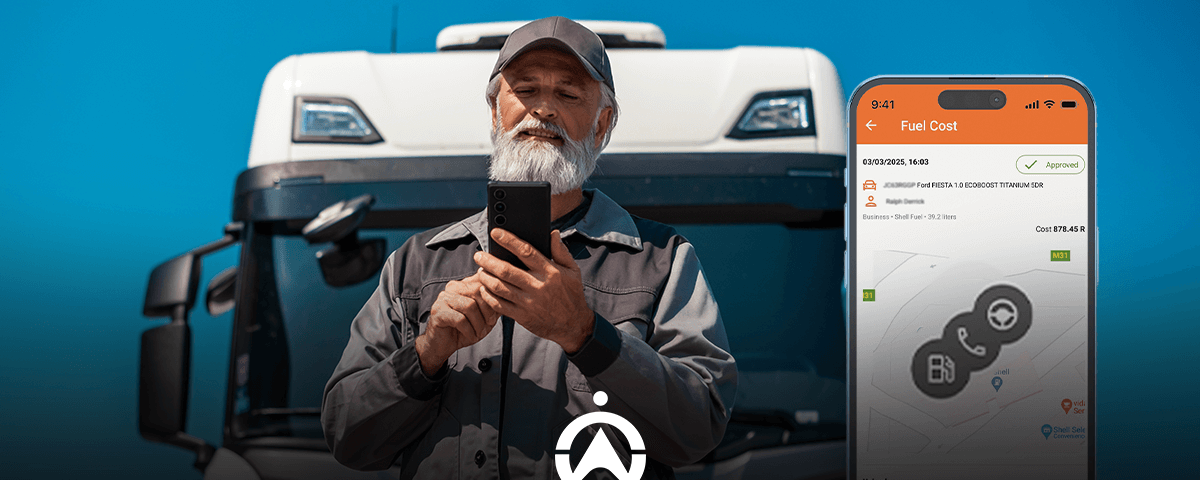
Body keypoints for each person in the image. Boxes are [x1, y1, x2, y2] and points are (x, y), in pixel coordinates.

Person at [322, 16, 737, 479]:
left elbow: (700, 428)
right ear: (496, 112)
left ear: (602, 124)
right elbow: (346, 435)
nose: (544, 109)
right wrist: (425, 355)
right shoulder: (415, 264)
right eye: (526, 89)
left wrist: (585, 334)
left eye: (568, 93)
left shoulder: (662, 260)